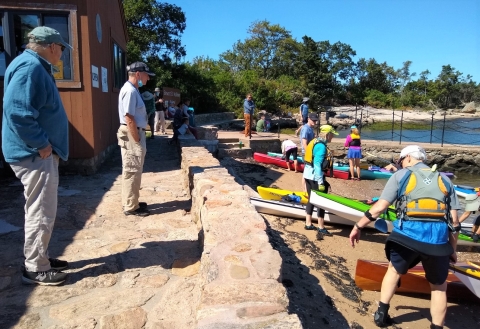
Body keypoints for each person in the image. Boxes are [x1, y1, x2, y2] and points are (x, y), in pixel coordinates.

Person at [349, 145, 461, 329]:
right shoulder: (445, 180)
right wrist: (452, 250)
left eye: (400, 161)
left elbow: (379, 208)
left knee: (394, 270)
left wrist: (358, 226)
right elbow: (454, 223)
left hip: (407, 236)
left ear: (407, 158)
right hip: (437, 242)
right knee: (439, 287)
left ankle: (381, 315)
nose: (400, 165)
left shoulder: (401, 176)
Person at [2, 26, 72, 285]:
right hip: (34, 154)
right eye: (62, 48)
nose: (62, 54)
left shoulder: (29, 65)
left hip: (33, 153)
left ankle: (40, 257)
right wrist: (42, 144)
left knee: (42, 208)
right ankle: (35, 267)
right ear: (52, 46)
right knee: (41, 210)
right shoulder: (30, 67)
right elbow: (17, 111)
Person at [117, 61, 154, 217]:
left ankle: (132, 201)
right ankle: (131, 206)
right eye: (147, 75)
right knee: (132, 170)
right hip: (132, 133)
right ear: (138, 74)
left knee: (134, 170)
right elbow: (129, 117)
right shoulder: (130, 91)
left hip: (134, 132)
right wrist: (137, 139)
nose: (148, 79)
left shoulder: (133, 90)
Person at [302, 125, 338, 236]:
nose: (332, 137)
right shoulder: (321, 147)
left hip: (308, 174)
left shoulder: (314, 141)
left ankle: (308, 223)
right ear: (327, 134)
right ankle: (321, 226)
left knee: (311, 199)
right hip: (315, 177)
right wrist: (321, 182)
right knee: (321, 202)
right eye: (332, 135)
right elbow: (317, 165)